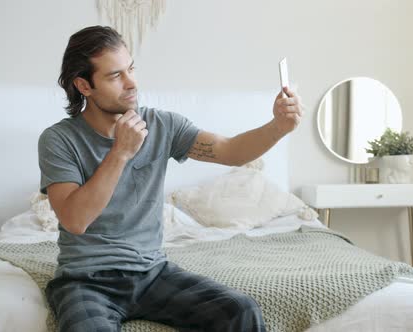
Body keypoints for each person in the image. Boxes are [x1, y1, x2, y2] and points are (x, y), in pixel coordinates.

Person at [38, 25, 302, 332]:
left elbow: (230, 151)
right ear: (84, 85)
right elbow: (75, 219)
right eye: (115, 76)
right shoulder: (58, 140)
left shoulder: (162, 125)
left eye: (131, 69)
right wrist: (120, 153)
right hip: (86, 280)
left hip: (152, 274)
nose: (131, 83)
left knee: (239, 311)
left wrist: (278, 127)